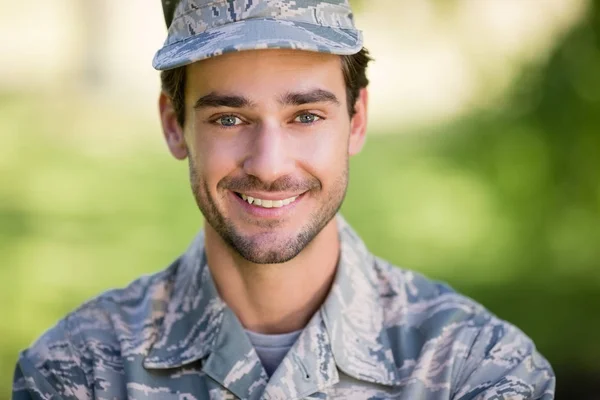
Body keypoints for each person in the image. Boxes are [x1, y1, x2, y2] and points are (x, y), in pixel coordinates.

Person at [12, 0, 556, 399]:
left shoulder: (477, 368)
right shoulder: (77, 372)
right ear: (175, 127)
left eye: (306, 117)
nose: (269, 165)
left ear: (357, 120)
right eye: (229, 118)